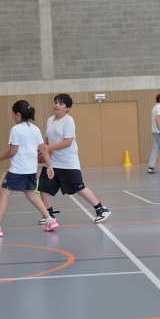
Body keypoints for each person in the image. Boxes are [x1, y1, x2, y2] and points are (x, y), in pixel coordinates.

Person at [0, 100, 58, 238]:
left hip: (18, 170)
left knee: (3, 195)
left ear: (18, 114)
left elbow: (13, 151)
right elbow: (43, 148)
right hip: (31, 169)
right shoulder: (35, 128)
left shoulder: (16, 129)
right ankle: (50, 220)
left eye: (13, 114)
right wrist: (49, 165)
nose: (13, 117)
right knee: (31, 195)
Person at [37, 94, 111, 224]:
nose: (57, 105)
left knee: (79, 187)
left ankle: (101, 209)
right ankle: (48, 214)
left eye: (60, 103)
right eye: (55, 102)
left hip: (68, 161)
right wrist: (42, 149)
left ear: (67, 108)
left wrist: (48, 147)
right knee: (43, 187)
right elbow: (47, 138)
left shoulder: (68, 120)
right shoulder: (50, 120)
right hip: (53, 161)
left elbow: (68, 142)